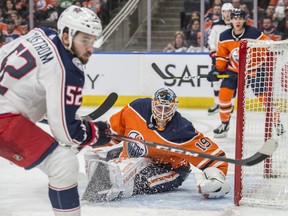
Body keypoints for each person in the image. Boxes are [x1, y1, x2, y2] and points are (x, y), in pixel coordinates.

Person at [0, 5, 111, 216]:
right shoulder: (68, 69)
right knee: (63, 164)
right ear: (67, 35)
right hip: (5, 122)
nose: (90, 48)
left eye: (92, 41)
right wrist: (95, 133)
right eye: (84, 40)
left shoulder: (41, 32)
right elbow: (66, 134)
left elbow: (3, 53)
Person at [82, 87, 231, 202]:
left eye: (167, 109)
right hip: (138, 155)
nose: (162, 113)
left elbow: (213, 156)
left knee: (142, 180)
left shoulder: (182, 130)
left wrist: (216, 178)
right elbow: (112, 132)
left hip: (170, 168)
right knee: (107, 155)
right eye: (160, 108)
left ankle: (120, 186)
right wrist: (90, 138)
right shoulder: (136, 109)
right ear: (153, 105)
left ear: (174, 108)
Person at [206, 8, 285, 138]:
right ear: (230, 20)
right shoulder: (224, 36)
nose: (237, 21)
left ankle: (277, 122)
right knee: (224, 96)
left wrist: (267, 63)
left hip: (254, 70)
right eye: (235, 18)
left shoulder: (254, 33)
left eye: (240, 18)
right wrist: (217, 70)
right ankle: (224, 124)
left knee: (264, 97)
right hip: (234, 71)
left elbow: (268, 47)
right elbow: (222, 56)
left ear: (245, 20)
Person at [207, 3, 235, 115]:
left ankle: (231, 104)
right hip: (218, 57)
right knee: (216, 80)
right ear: (222, 13)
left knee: (232, 81)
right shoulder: (216, 25)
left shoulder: (237, 25)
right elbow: (211, 40)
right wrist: (214, 54)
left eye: (229, 11)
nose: (227, 14)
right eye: (224, 11)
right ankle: (217, 103)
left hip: (233, 59)